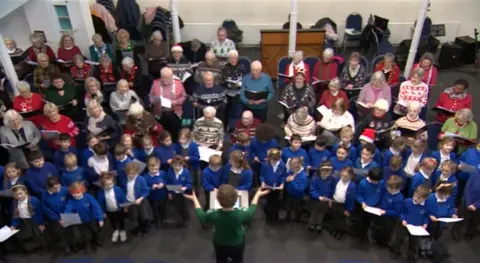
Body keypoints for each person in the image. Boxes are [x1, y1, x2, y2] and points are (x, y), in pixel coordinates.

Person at [184, 185, 270, 263]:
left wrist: (194, 198)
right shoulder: (242, 214)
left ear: (217, 200)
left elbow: (202, 215)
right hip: (237, 244)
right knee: (238, 260)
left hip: (220, 243)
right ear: (236, 198)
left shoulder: (213, 214)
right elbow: (252, 208)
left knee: (221, 260)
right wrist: (257, 195)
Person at [390, 185, 430, 262]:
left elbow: (426, 216)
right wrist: (403, 219)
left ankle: (411, 255)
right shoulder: (407, 201)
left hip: (417, 228)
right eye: (415, 196)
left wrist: (425, 223)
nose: (415, 199)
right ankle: (395, 252)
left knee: (413, 243)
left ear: (425, 198)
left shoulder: (426, 206)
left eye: (419, 198)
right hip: (405, 225)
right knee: (399, 239)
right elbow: (401, 212)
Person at [63, 181, 104, 253]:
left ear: (83, 191)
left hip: (91, 219)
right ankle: (88, 244)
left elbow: (96, 207)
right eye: (74, 193)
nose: (76, 195)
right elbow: (67, 209)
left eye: (78, 192)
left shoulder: (88, 197)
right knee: (85, 234)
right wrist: (65, 218)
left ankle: (96, 240)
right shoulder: (71, 201)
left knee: (94, 230)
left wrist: (100, 219)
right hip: (81, 221)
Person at [150, 67, 186, 139]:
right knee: (161, 135)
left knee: (175, 134)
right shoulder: (155, 83)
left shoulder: (178, 83)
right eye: (163, 77)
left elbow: (184, 96)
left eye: (166, 77)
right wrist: (157, 100)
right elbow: (150, 97)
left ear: (171, 76)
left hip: (174, 113)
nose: (164, 79)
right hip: (160, 114)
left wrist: (177, 102)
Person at [9, 184, 46, 254]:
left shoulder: (34, 200)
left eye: (20, 193)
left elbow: (40, 213)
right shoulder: (14, 203)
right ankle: (35, 247)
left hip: (34, 220)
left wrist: (42, 223)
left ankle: (44, 247)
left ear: (25, 191)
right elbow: (14, 215)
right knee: (29, 235)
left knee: (39, 234)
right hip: (23, 221)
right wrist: (13, 225)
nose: (19, 196)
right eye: (16, 195)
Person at [41, 176, 69, 254]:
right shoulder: (44, 194)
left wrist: (67, 213)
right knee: (58, 232)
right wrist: (57, 218)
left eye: (58, 187)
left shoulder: (64, 190)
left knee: (70, 231)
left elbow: (70, 202)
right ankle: (65, 246)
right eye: (55, 188)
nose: (58, 190)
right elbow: (45, 208)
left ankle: (72, 244)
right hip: (55, 218)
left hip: (66, 215)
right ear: (48, 188)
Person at [97, 172, 128, 243]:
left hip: (119, 209)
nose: (109, 186)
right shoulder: (101, 192)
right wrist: (103, 212)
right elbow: (100, 203)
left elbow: (123, 198)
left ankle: (122, 231)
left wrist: (126, 206)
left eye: (111, 184)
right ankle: (115, 230)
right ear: (102, 185)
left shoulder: (118, 189)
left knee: (121, 220)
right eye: (107, 185)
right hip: (109, 210)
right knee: (112, 221)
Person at [122, 162, 151, 237]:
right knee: (136, 216)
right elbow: (125, 192)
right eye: (129, 174)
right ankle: (140, 227)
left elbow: (146, 191)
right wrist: (126, 204)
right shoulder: (125, 180)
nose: (131, 175)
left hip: (141, 201)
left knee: (144, 215)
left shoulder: (141, 179)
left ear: (137, 172)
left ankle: (145, 229)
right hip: (131, 201)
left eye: (133, 173)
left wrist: (140, 198)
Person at [355, 167, 384, 240]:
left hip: (375, 207)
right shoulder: (363, 183)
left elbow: (381, 193)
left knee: (372, 222)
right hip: (364, 207)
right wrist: (362, 202)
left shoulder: (381, 183)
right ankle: (360, 235)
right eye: (374, 181)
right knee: (362, 222)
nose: (376, 183)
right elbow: (358, 195)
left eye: (377, 181)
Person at [375, 175, 404, 247]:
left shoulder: (399, 198)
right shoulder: (387, 192)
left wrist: (386, 212)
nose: (388, 189)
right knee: (380, 229)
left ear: (397, 188)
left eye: (390, 188)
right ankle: (378, 240)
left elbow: (397, 212)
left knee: (387, 231)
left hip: (390, 218)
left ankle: (383, 244)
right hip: (382, 214)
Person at [260, 148, 286, 223]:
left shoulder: (282, 165)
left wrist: (282, 183)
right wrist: (262, 182)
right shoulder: (265, 165)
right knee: (269, 202)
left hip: (277, 187)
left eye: (276, 161)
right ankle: (268, 217)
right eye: (272, 160)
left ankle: (274, 217)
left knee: (275, 202)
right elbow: (262, 175)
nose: (274, 162)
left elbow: (283, 176)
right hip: (268, 186)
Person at [329, 166, 356, 239]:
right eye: (342, 175)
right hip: (335, 202)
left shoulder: (352, 186)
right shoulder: (337, 180)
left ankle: (339, 232)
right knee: (335, 217)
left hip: (344, 205)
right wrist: (331, 200)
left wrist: (348, 210)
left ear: (350, 176)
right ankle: (334, 229)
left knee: (341, 220)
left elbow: (351, 199)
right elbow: (333, 191)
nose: (343, 178)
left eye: (345, 177)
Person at [166, 156, 192, 228]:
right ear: (172, 165)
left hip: (184, 194)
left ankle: (186, 220)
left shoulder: (186, 172)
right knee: (177, 208)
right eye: (175, 165)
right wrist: (169, 193)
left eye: (179, 165)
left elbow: (189, 183)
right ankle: (180, 220)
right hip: (174, 194)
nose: (177, 167)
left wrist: (185, 187)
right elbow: (168, 183)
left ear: (182, 164)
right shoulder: (170, 171)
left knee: (185, 208)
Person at [308, 163, 335, 232]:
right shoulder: (315, 178)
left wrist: (330, 199)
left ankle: (319, 224)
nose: (326, 172)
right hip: (316, 200)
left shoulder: (331, 179)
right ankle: (311, 224)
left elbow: (332, 189)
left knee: (322, 213)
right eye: (324, 170)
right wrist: (318, 196)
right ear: (320, 170)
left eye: (328, 171)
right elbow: (312, 189)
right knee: (314, 212)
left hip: (325, 200)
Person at [143, 156, 168, 228]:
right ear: (148, 167)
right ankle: (157, 221)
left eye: (156, 169)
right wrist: (151, 188)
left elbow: (167, 180)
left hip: (163, 196)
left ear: (159, 167)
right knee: (155, 210)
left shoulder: (163, 173)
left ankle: (163, 219)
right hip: (152, 198)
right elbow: (145, 188)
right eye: (152, 169)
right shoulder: (145, 177)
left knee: (163, 209)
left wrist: (163, 184)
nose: (154, 171)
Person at [222, 50, 246, 121]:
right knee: (228, 109)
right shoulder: (225, 67)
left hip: (239, 92)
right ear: (228, 59)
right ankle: (226, 125)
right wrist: (231, 84)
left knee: (239, 109)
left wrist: (239, 84)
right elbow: (223, 80)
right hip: (228, 92)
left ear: (237, 58)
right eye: (231, 58)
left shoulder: (242, 67)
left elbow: (245, 79)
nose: (233, 60)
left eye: (235, 58)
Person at [284, 157, 308, 223]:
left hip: (298, 196)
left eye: (292, 168)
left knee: (297, 209)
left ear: (298, 166)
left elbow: (300, 189)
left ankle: (297, 220)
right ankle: (288, 218)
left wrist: (292, 181)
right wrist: (286, 180)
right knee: (288, 207)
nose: (291, 169)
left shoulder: (303, 175)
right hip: (289, 193)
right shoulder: (291, 171)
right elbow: (287, 178)